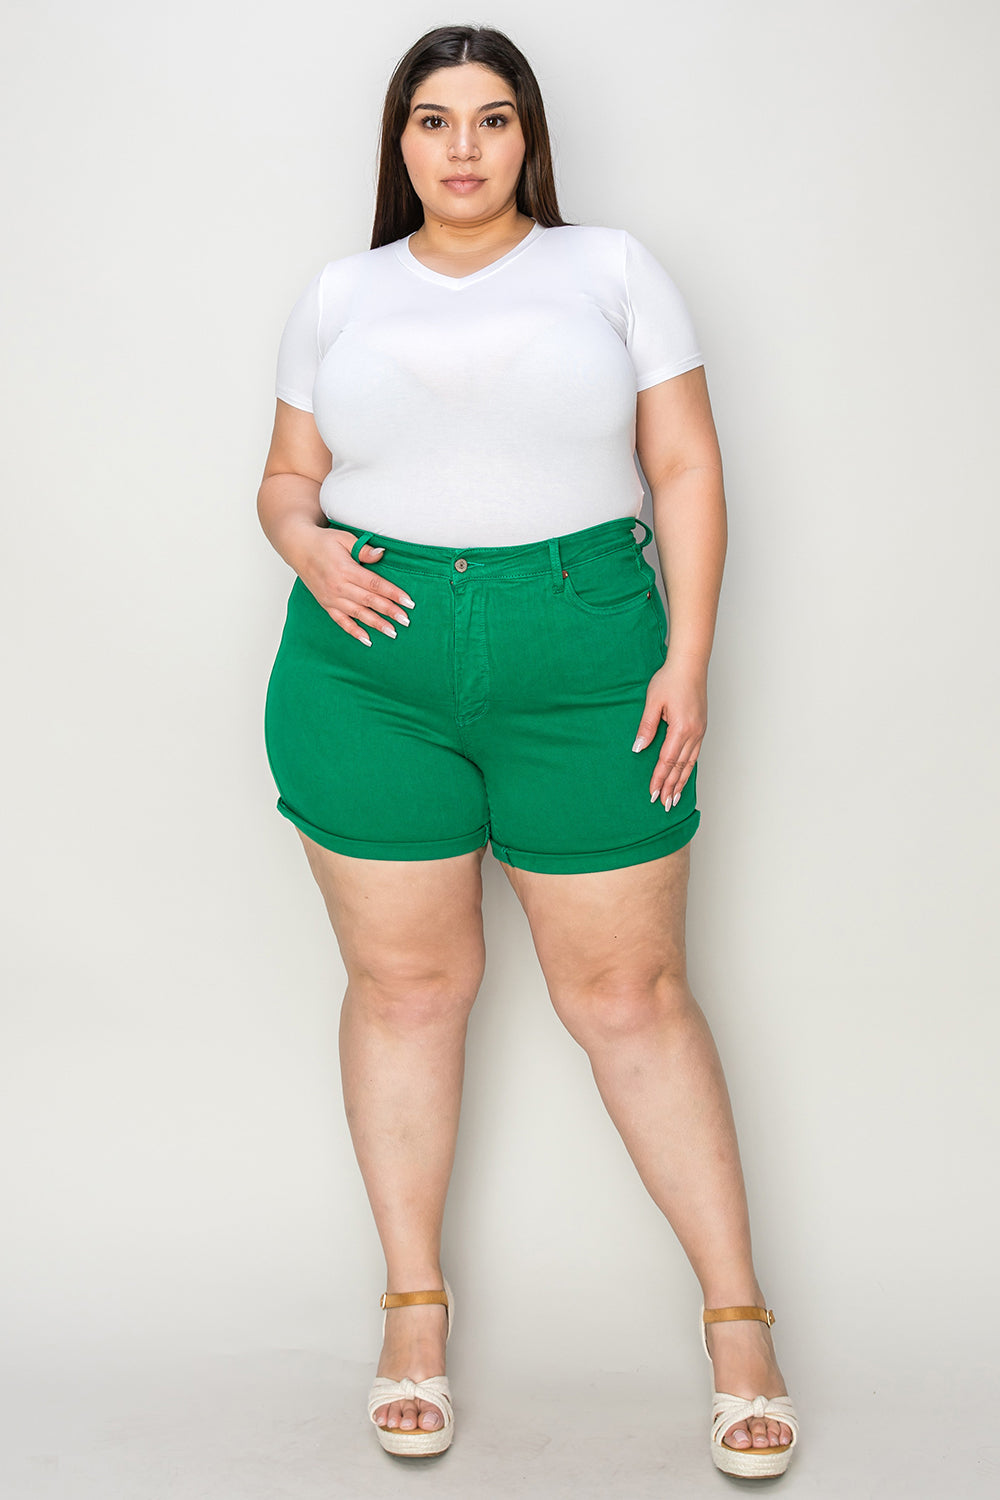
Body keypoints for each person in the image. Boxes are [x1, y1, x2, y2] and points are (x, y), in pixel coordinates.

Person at [257, 22, 799, 1479]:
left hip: (587, 658)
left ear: (527, 140)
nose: (462, 149)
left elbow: (682, 462)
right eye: (433, 122)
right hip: (371, 670)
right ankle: (414, 1312)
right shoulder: (340, 292)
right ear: (401, 144)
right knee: (409, 988)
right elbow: (288, 480)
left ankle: (737, 1320)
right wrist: (307, 548)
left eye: (491, 121)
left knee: (629, 994)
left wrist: (687, 654)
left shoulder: (610, 268)